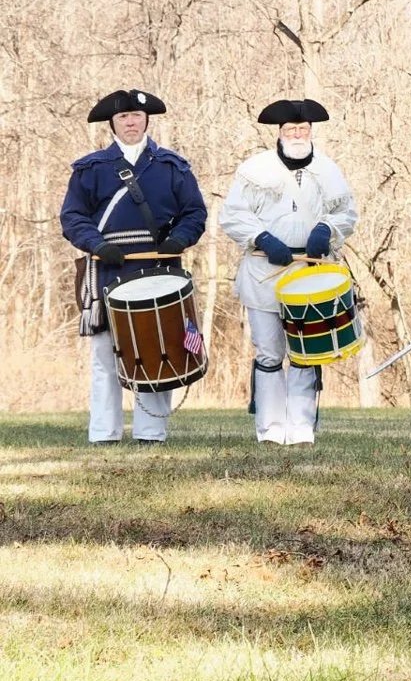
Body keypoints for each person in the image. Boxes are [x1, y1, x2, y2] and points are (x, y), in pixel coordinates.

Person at [61, 89, 209, 445]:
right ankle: (104, 435)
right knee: (104, 357)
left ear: (146, 120)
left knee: (160, 349)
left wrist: (180, 240)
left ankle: (151, 433)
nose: (131, 122)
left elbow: (195, 213)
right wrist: (97, 245)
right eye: (124, 117)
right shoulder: (90, 168)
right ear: (112, 123)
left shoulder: (173, 166)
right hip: (108, 271)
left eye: (137, 117)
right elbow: (72, 217)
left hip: (160, 270)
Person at [217, 99, 359, 445]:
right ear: (279, 133)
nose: (297, 135)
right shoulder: (255, 169)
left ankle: (300, 430)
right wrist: (262, 237)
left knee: (305, 352)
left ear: (311, 131)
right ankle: (269, 430)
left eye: (303, 129)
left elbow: (347, 212)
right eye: (291, 130)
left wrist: (326, 230)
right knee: (268, 352)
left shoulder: (328, 169)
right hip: (265, 268)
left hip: (311, 272)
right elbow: (233, 215)